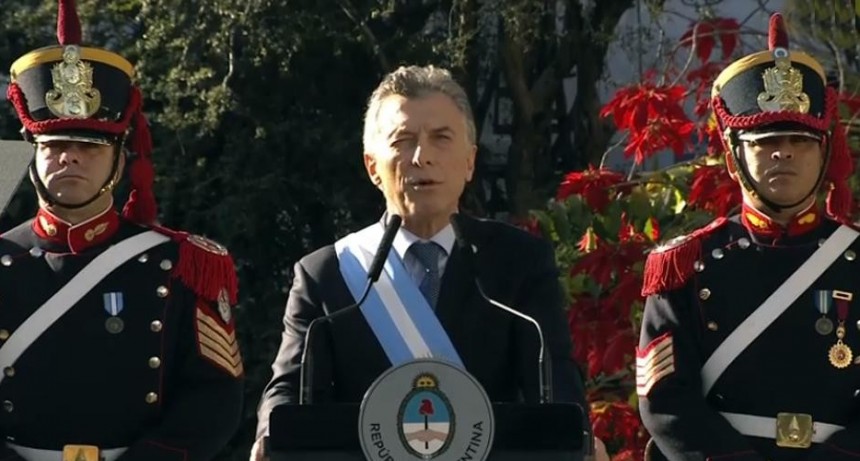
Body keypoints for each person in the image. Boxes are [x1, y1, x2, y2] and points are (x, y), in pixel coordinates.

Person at [252, 64, 596, 459]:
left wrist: (581, 439)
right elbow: (288, 388)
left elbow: (555, 377)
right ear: (371, 167)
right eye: (403, 140)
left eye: (441, 138)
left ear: (469, 162)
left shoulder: (518, 261)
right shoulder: (327, 273)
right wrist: (268, 436)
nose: (421, 157)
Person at [0, 1, 244, 460]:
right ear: (32, 154)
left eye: (89, 146)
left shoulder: (182, 264)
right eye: (55, 145)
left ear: (119, 157)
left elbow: (214, 396)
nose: (69, 158)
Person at [638, 12, 860, 461]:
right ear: (734, 155)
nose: (783, 152)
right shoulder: (684, 265)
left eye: (800, 141)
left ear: (824, 152)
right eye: (764, 142)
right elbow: (665, 401)